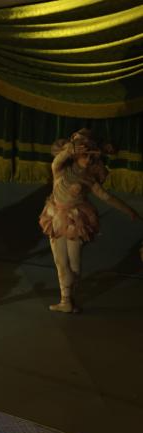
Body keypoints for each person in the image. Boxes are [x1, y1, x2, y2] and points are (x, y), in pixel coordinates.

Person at [40, 129, 141, 313]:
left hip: (75, 220)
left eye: (91, 157)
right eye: (85, 155)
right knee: (61, 263)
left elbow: (107, 197)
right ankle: (65, 300)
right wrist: (69, 150)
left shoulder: (89, 179)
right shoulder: (61, 170)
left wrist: (128, 210)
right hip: (56, 216)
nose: (88, 160)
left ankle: (70, 297)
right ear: (77, 155)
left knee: (74, 265)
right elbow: (57, 161)